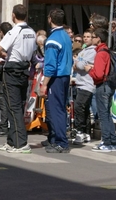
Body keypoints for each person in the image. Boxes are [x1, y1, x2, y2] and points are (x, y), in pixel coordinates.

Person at [0, 4, 36, 153]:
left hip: (12, 71)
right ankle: (12, 141)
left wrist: (4, 54)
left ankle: (21, 143)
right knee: (17, 107)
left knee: (14, 107)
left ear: (13, 15)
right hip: (24, 69)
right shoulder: (32, 32)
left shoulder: (14, 31)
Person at [39, 9, 72, 153]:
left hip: (56, 78)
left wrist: (44, 84)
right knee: (59, 109)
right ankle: (55, 138)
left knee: (56, 110)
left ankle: (61, 142)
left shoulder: (53, 39)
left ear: (50, 19)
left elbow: (51, 65)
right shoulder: (65, 35)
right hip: (64, 76)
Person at [85, 28, 116, 152]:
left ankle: (106, 142)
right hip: (108, 86)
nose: (92, 38)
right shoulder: (106, 51)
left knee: (103, 115)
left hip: (103, 86)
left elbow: (99, 74)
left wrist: (89, 69)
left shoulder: (100, 53)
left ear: (98, 39)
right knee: (107, 114)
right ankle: (113, 142)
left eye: (93, 36)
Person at [72, 28, 96, 145]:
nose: (86, 38)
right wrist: (78, 63)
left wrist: (78, 63)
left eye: (88, 37)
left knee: (79, 107)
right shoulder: (83, 51)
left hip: (87, 84)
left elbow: (80, 65)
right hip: (79, 82)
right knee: (84, 109)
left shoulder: (93, 51)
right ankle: (86, 133)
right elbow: (77, 65)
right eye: (85, 37)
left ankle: (80, 132)